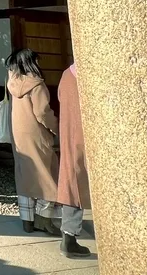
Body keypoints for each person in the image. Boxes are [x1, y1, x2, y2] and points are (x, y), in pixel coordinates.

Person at [7, 48, 60, 235]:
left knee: (25, 175)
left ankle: (27, 221)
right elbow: (42, 113)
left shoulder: (13, 82)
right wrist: (57, 128)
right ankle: (44, 220)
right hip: (37, 134)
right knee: (48, 174)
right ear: (31, 62)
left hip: (19, 134)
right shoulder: (36, 85)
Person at [55, 63, 92, 258]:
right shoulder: (88, 75)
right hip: (87, 135)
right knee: (83, 182)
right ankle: (69, 239)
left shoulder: (66, 75)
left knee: (71, 179)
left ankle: (68, 236)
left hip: (69, 132)